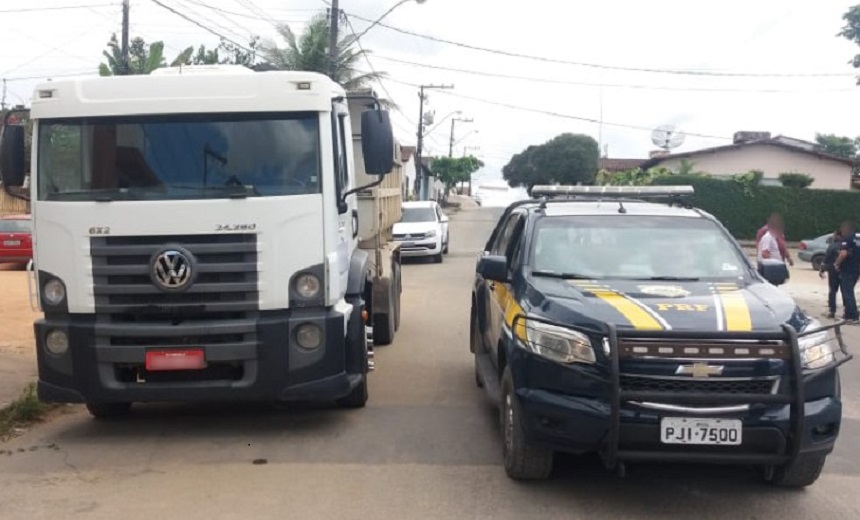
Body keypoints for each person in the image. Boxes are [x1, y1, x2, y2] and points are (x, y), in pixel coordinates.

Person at [834, 221, 859, 324]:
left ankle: (852, 316)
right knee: (849, 291)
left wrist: (836, 264)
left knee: (847, 292)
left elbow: (843, 254)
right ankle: (848, 314)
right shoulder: (858, 239)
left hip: (847, 269)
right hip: (857, 269)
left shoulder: (846, 239)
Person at [820, 229, 842, 319]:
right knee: (847, 292)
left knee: (832, 291)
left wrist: (822, 270)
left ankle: (832, 311)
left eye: (834, 235)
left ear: (838, 236)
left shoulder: (833, 245)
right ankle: (848, 311)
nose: (833, 236)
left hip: (833, 271)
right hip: (846, 272)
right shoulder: (847, 245)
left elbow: (826, 259)